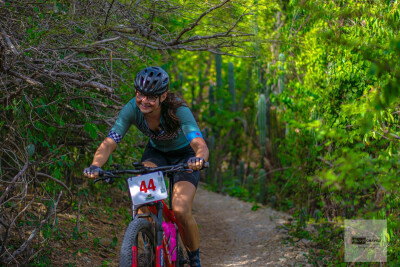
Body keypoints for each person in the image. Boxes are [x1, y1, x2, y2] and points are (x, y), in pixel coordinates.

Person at [83, 66, 208, 267]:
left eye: (151, 97)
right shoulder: (132, 109)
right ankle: (151, 242)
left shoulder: (178, 110)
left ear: (163, 96)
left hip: (185, 157)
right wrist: (95, 165)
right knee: (143, 203)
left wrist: (199, 158)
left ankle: (194, 260)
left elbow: (198, 143)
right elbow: (110, 141)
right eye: (141, 94)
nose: (145, 101)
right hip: (157, 153)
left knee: (181, 209)